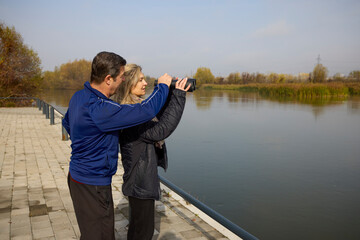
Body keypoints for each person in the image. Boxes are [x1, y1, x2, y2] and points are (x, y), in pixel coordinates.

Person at [62, 52, 172, 240]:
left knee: (90, 233)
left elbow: (67, 124)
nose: (123, 80)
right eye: (121, 76)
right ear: (108, 79)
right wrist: (163, 87)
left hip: (76, 177)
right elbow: (146, 110)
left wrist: (88, 143)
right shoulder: (102, 109)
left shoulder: (78, 97)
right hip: (93, 184)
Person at [112, 64, 190, 240]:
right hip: (140, 183)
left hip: (139, 181)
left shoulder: (135, 108)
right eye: (140, 79)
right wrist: (178, 95)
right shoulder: (131, 113)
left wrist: (168, 93)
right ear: (128, 84)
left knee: (139, 229)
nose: (145, 83)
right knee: (143, 233)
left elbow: (156, 120)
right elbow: (161, 131)